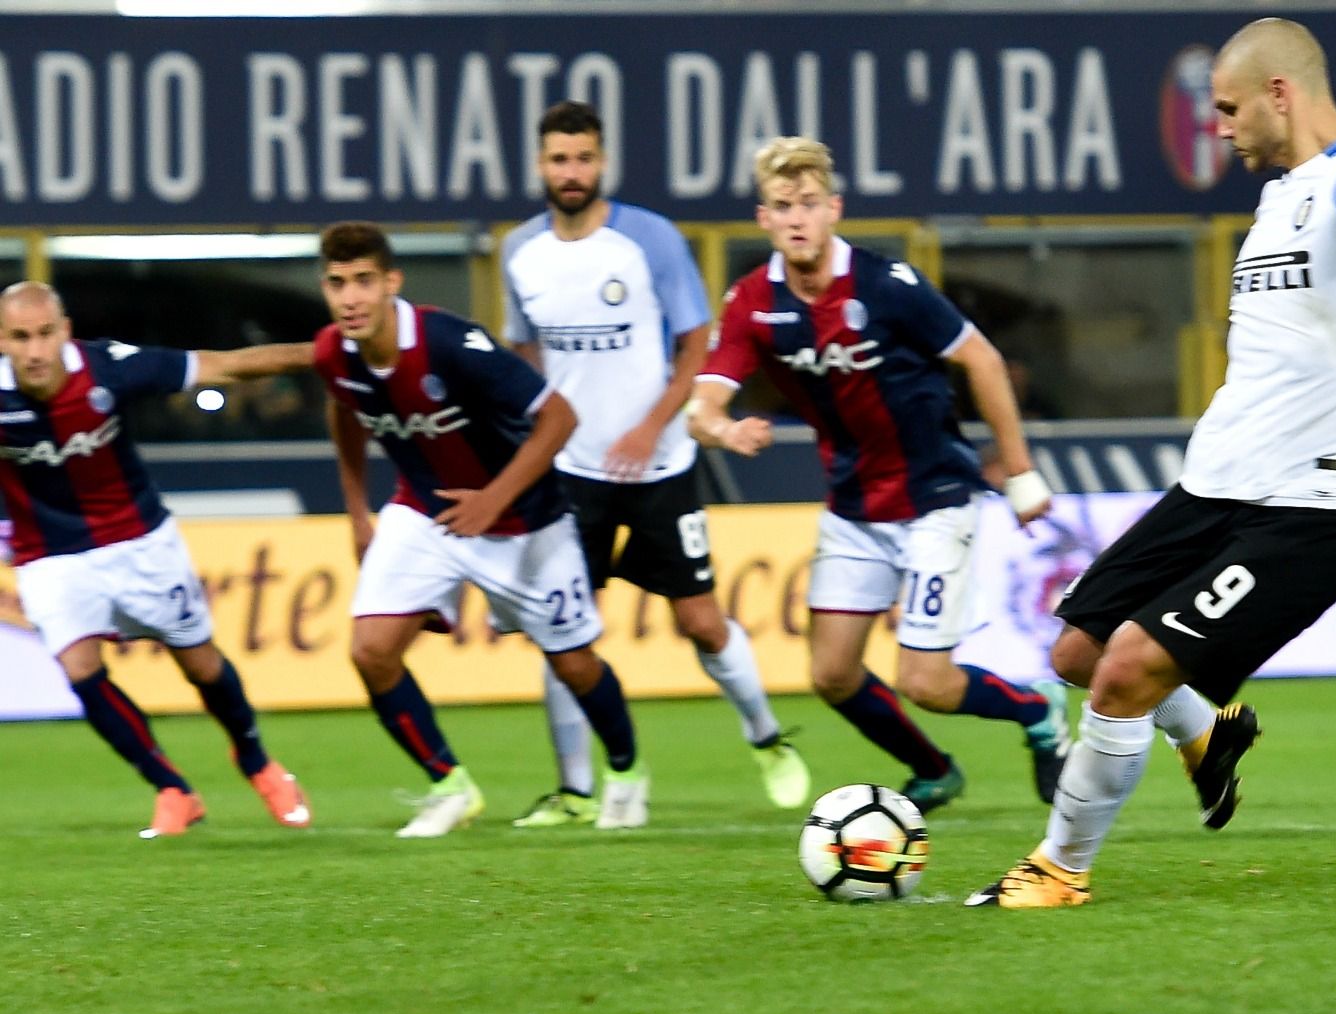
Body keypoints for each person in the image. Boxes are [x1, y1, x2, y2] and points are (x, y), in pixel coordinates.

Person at [968, 20, 1336, 907]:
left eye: (1227, 108)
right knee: (1076, 651)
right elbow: (1321, 337)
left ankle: (1059, 869)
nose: (1218, 127)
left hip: (1316, 504)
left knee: (1126, 672)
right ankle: (1210, 733)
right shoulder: (1275, 202)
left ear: (1280, 96)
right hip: (1218, 485)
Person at [687, 137, 1069, 814]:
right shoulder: (751, 303)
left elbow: (981, 360)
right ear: (765, 218)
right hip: (855, 510)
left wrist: (1019, 473)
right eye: (783, 206)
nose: (798, 217)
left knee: (927, 681)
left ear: (834, 209)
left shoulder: (887, 287)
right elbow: (702, 410)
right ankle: (934, 770)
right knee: (831, 676)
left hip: (933, 502)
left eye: (809, 203)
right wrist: (725, 429)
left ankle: (1037, 708)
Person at [500, 100, 808, 826]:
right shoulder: (520, 250)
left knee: (702, 622)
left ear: (600, 161)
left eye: (581, 159)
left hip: (661, 467)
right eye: (557, 159)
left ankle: (766, 739)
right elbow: (521, 351)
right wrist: (538, 427)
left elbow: (694, 345)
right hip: (571, 471)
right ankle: (577, 790)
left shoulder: (650, 240)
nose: (570, 172)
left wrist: (648, 427)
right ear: (540, 165)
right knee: (563, 629)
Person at [315, 221, 647, 837]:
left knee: (574, 664)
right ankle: (449, 785)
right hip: (425, 512)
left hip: (522, 517)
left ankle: (626, 775)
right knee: (371, 650)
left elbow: (558, 416)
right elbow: (344, 405)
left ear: (392, 282)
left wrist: (494, 499)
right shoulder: (336, 353)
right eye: (337, 284)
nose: (351, 297)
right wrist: (357, 509)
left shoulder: (449, 341)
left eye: (364, 281)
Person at [0, 281, 314, 838]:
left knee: (200, 665)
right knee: (79, 669)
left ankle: (257, 762)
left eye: (45, 334)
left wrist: (321, 353)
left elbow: (224, 367)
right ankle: (172, 788)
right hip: (50, 555)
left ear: (65, 332)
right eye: (20, 338)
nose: (34, 351)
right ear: (2, 341)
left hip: (139, 541)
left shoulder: (108, 369)